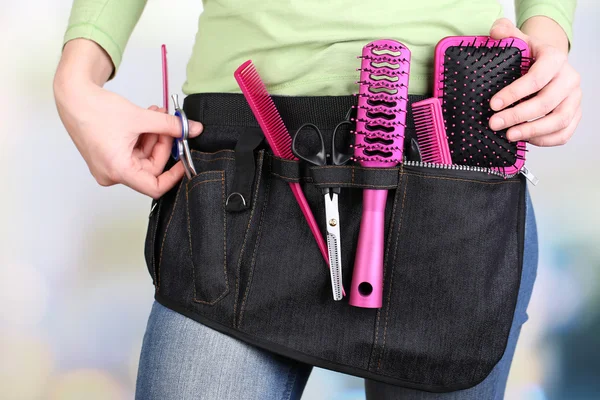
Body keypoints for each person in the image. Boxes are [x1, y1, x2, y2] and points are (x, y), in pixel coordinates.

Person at [54, 1, 580, 399]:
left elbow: (547, 29)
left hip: (449, 166)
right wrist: (77, 78)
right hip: (241, 162)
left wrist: (549, 40)